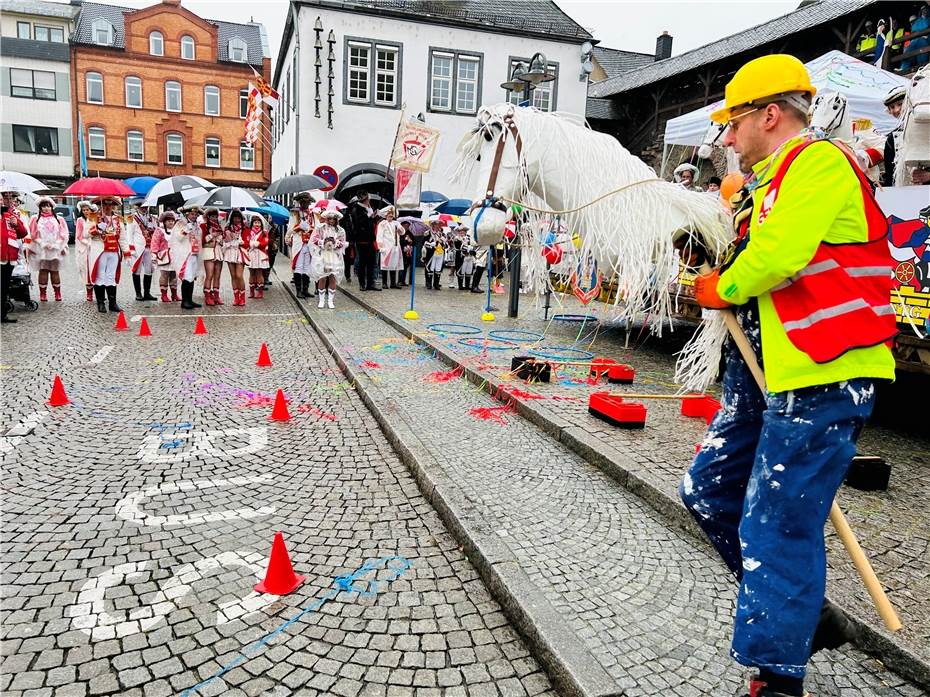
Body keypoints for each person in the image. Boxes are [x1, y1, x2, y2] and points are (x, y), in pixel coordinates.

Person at [680, 54, 896, 697]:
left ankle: (776, 677)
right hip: (765, 373)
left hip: (823, 371)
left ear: (769, 115)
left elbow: (780, 256)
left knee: (776, 521)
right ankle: (804, 613)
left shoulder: (820, 164)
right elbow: (756, 259)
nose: (725, 138)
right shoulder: (761, 187)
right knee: (708, 489)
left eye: (733, 122)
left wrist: (725, 282)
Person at [88, 196, 131, 313]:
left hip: (113, 251)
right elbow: (86, 234)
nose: (107, 207)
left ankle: (112, 303)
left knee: (111, 277)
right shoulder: (94, 217)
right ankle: (101, 303)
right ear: (101, 205)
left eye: (110, 205)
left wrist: (127, 253)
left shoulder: (118, 219)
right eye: (105, 205)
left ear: (113, 206)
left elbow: (122, 238)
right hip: (100, 251)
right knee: (100, 276)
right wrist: (96, 228)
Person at [28, 196, 68, 302]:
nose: (46, 208)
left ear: (52, 207)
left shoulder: (59, 219)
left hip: (55, 249)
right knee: (43, 270)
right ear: (40, 208)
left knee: (55, 271)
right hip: (42, 250)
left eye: (48, 206)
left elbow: (63, 234)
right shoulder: (35, 219)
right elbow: (33, 234)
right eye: (44, 206)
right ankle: (43, 294)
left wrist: (56, 244)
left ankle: (57, 293)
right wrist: (43, 243)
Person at [310, 209, 347, 308]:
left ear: (336, 220)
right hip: (322, 255)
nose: (331, 221)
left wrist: (335, 243)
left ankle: (331, 301)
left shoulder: (340, 230)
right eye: (329, 219)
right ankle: (321, 300)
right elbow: (314, 239)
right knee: (322, 277)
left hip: (334, 256)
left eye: (333, 219)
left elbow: (343, 242)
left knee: (332, 277)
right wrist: (324, 243)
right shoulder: (320, 228)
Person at [1, 192, 29, 323]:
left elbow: (23, 232)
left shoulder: (10, 215)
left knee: (5, 287)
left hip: (9, 256)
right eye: (1, 199)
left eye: (3, 199)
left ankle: (2, 314)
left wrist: (16, 223)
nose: (2, 202)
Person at [347, 191, 377, 290]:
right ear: (365, 199)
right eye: (368, 198)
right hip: (362, 239)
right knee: (362, 263)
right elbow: (359, 223)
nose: (369, 199)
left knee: (371, 263)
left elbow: (370, 222)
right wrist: (370, 217)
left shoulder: (368, 208)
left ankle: (370, 284)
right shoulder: (357, 209)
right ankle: (362, 284)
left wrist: (374, 217)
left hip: (370, 239)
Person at [174, 205, 202, 310]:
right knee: (187, 276)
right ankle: (184, 301)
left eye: (195, 214)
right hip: (186, 254)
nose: (194, 216)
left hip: (195, 253)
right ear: (187, 214)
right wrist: (186, 229)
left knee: (192, 276)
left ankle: (190, 299)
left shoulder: (196, 225)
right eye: (192, 214)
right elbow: (177, 237)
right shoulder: (181, 223)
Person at [286, 203, 316, 300]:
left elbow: (315, 227)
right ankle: (299, 291)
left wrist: (310, 229)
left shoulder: (312, 213)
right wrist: (300, 227)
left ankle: (305, 290)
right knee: (298, 267)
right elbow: (290, 229)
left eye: (307, 201)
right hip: (299, 242)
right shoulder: (295, 214)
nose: (306, 203)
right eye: (304, 201)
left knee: (307, 267)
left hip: (309, 243)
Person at [128, 206, 157, 302]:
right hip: (138, 248)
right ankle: (138, 293)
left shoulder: (151, 218)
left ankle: (147, 293)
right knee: (137, 270)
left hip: (149, 247)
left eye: (145, 207)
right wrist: (132, 249)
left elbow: (155, 230)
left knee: (149, 270)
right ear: (137, 207)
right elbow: (129, 235)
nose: (144, 209)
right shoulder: (132, 218)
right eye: (142, 207)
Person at [881, 84, 907, 188]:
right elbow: (890, 175)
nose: (896, 110)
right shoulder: (892, 139)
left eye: (900, 104)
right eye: (892, 107)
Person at [151, 210, 179, 303]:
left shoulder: (176, 230)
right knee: (164, 275)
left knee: (174, 275)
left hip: (174, 256)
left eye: (172, 220)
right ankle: (164, 295)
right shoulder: (159, 230)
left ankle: (174, 294)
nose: (171, 222)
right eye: (169, 220)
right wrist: (154, 255)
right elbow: (155, 243)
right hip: (164, 257)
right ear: (164, 222)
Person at [199, 207, 224, 306]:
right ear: (208, 216)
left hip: (218, 251)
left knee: (217, 275)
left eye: (215, 216)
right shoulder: (203, 226)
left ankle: (216, 296)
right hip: (208, 251)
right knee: (209, 275)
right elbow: (202, 240)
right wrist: (212, 235)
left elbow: (222, 241)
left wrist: (220, 238)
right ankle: (207, 296)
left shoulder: (219, 226)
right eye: (212, 216)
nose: (214, 218)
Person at [223, 208, 247, 306]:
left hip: (240, 252)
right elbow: (224, 241)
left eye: (238, 218)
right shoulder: (228, 229)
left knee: (239, 275)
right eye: (235, 218)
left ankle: (242, 297)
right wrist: (228, 237)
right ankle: (236, 297)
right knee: (233, 276)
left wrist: (240, 241)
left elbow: (247, 241)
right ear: (232, 218)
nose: (237, 220)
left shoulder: (244, 228)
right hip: (230, 252)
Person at [74, 200, 97, 302]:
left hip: (96, 245)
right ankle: (89, 293)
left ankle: (99, 292)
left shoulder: (96, 218)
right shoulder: (80, 220)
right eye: (83, 210)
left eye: (87, 209)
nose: (86, 212)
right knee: (87, 269)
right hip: (85, 248)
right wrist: (87, 243)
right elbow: (79, 236)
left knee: (96, 268)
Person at [376, 205, 403, 289]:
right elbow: (379, 235)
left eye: (392, 216)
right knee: (385, 265)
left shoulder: (396, 223)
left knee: (394, 265)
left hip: (395, 247)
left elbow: (402, 232)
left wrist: (400, 230)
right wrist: (380, 246)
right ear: (386, 215)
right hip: (386, 247)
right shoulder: (382, 223)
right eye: (389, 215)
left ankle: (393, 283)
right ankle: (384, 283)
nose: (390, 217)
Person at [243, 214, 269, 299]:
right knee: (251, 273)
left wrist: (257, 244)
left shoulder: (264, 232)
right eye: (255, 223)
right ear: (252, 223)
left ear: (261, 224)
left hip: (260, 254)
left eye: (258, 223)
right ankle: (251, 292)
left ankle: (260, 292)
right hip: (251, 254)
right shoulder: (249, 232)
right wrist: (250, 243)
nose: (257, 224)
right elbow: (246, 241)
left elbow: (265, 243)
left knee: (259, 272)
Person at [423, 218, 446, 290]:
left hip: (440, 253)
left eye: (438, 225)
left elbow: (445, 245)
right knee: (430, 268)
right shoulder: (428, 233)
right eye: (436, 225)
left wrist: (443, 241)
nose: (437, 226)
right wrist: (431, 244)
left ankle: (436, 284)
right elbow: (424, 243)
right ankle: (428, 283)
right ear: (432, 225)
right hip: (431, 253)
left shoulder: (441, 234)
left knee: (438, 269)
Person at [400, 223, 415, 287]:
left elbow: (414, 242)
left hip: (408, 253)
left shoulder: (410, 233)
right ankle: (400, 280)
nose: (406, 227)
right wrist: (407, 241)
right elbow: (400, 241)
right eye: (405, 225)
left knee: (406, 266)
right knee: (401, 266)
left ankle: (403, 281)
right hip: (402, 252)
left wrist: (411, 242)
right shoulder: (400, 233)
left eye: (407, 226)